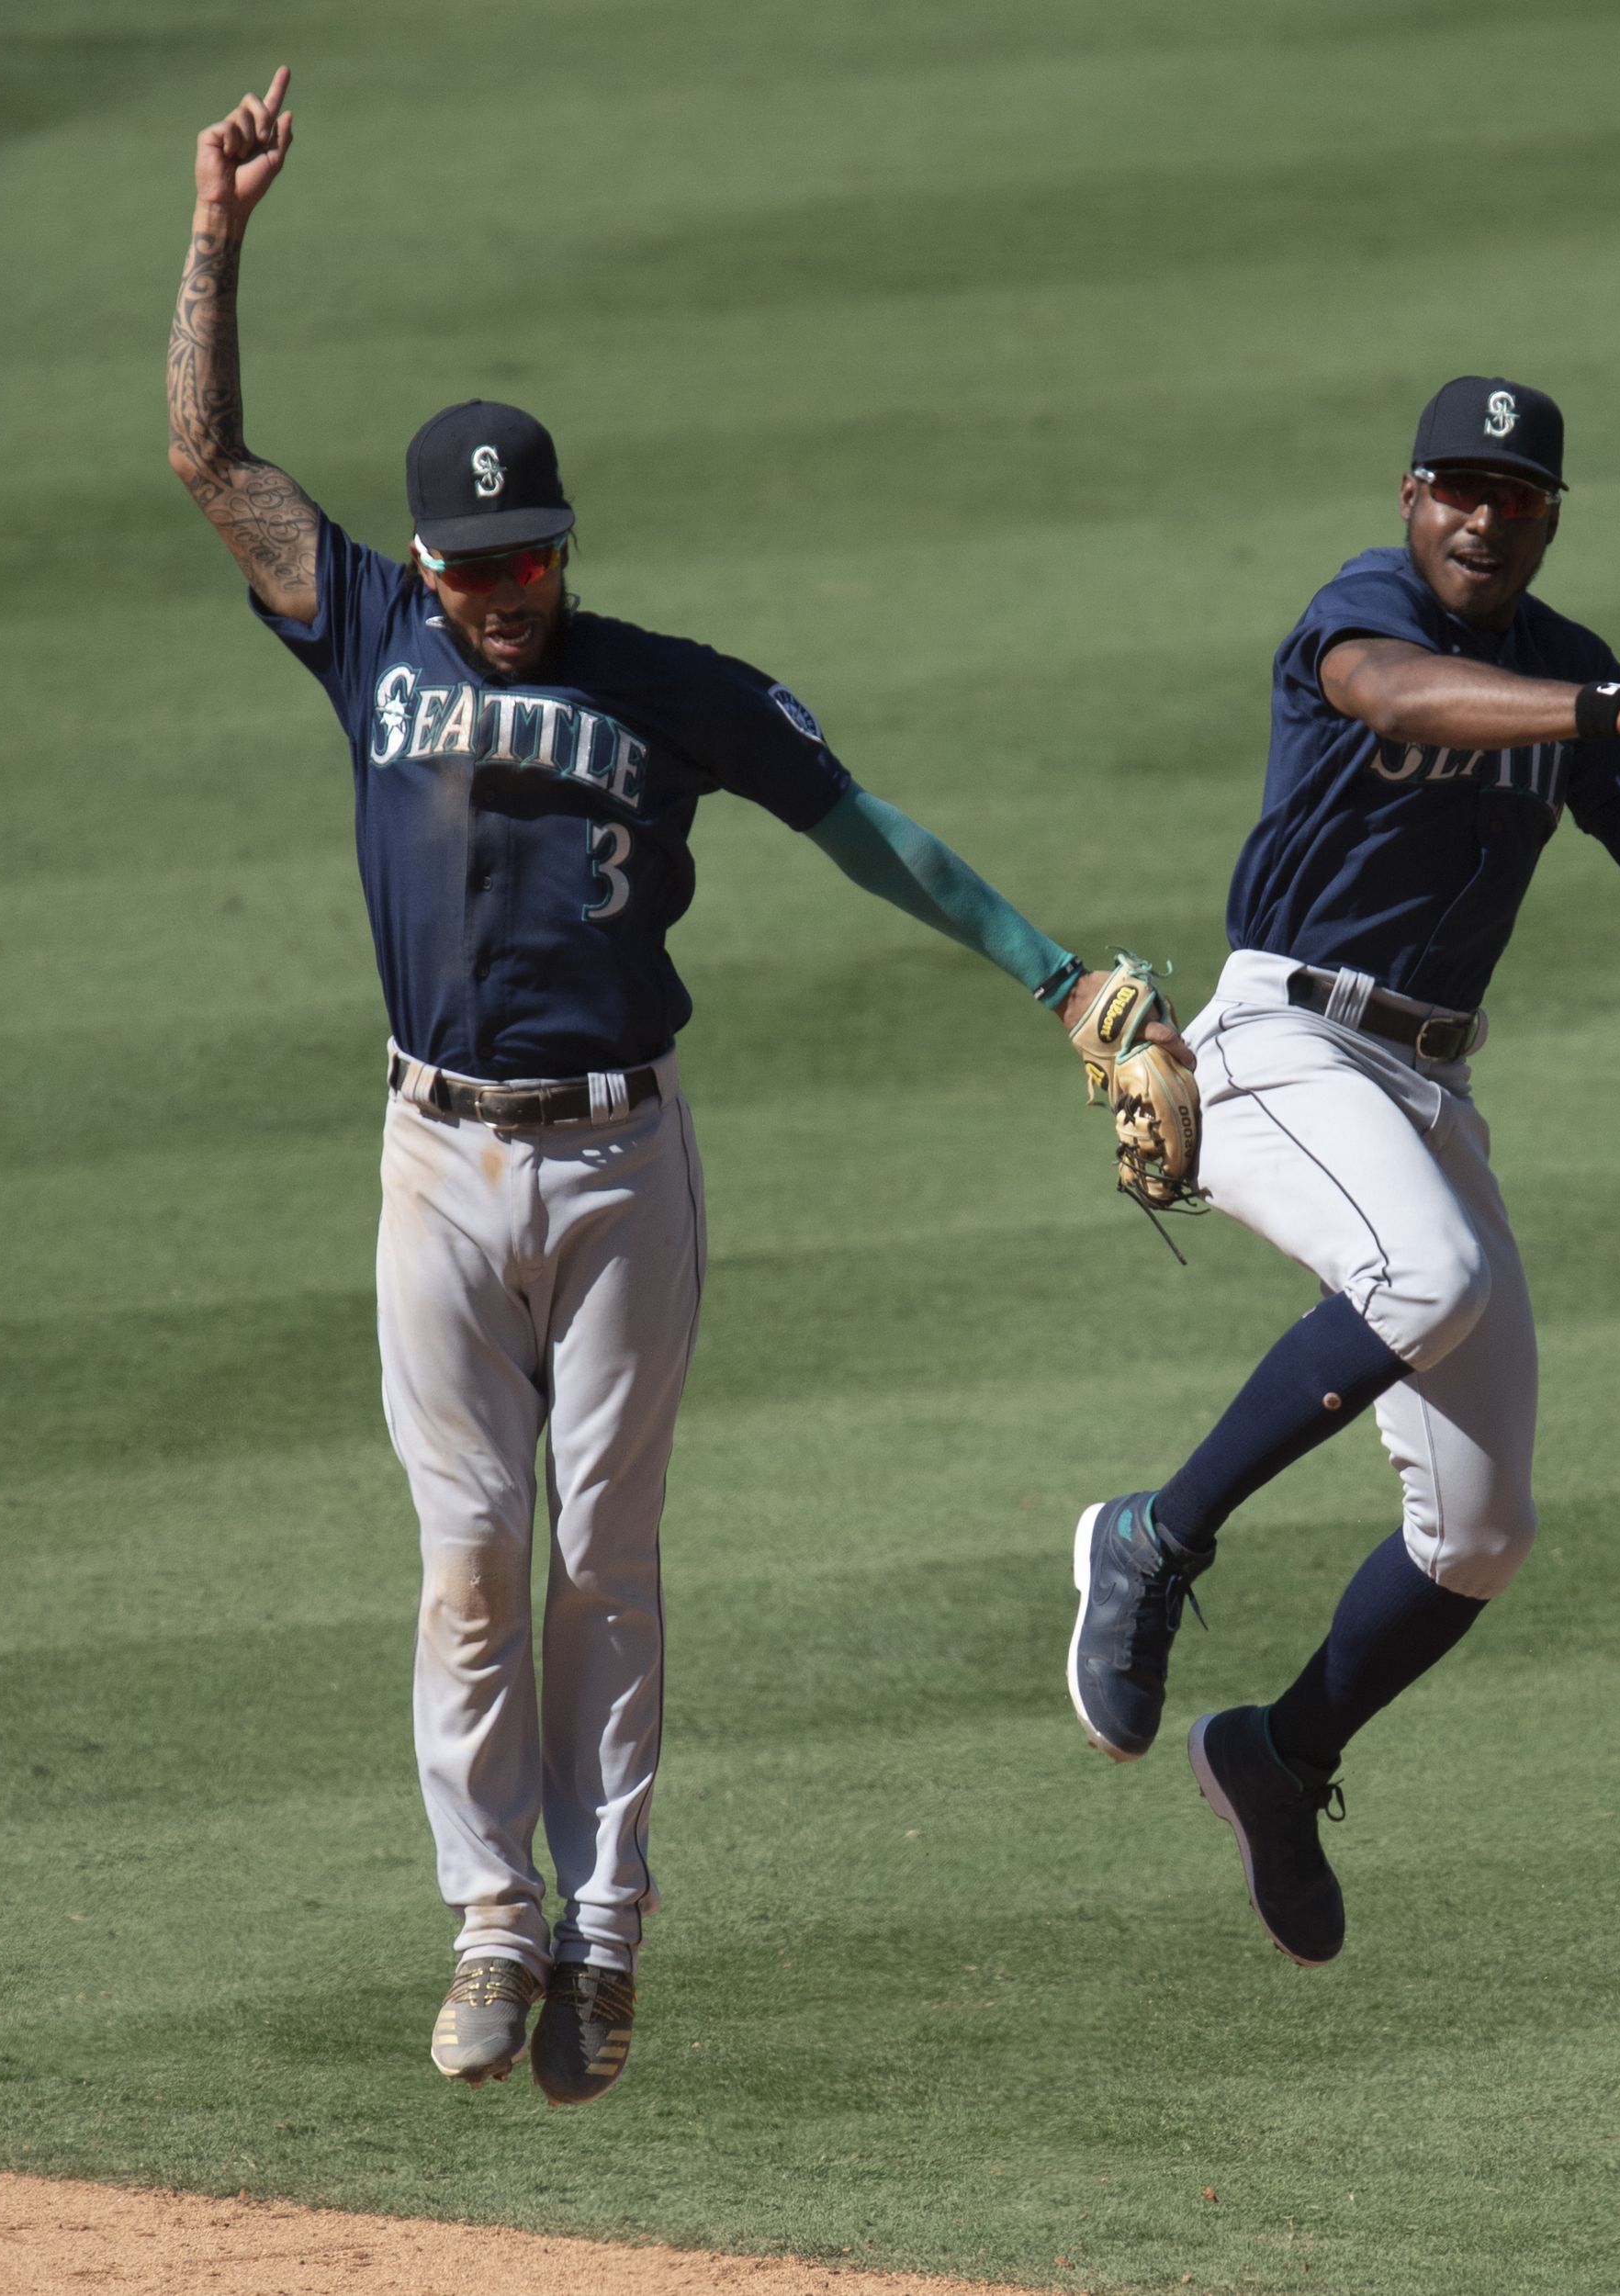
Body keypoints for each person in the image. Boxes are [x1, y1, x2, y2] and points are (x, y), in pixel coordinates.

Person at [169, 70, 1158, 2099]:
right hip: (432, 1154)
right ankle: (489, 1920)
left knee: (601, 1552)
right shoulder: (363, 626)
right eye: (466, 560)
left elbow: (864, 827)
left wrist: (1053, 978)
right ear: (428, 559)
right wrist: (218, 230)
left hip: (622, 1154)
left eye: (519, 555)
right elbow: (207, 458)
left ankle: (607, 1932)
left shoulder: (670, 684)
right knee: (467, 1554)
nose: (491, 585)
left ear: (560, 542)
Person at [1065, 375, 1620, 1966]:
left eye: (1518, 497)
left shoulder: (1569, 665)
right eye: (1457, 487)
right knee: (1432, 1276)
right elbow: (1401, 699)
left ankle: (1279, 1757)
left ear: (1551, 517)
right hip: (1279, 1041)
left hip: (1422, 1085)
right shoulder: (1365, 609)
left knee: (1480, 1535)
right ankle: (1153, 1537)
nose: (1484, 516)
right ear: (1411, 497)